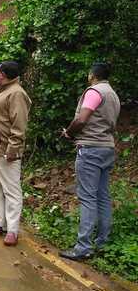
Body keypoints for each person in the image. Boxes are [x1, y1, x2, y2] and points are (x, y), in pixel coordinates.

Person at [59, 63, 120, 261]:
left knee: (87, 198)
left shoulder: (94, 92)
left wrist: (68, 133)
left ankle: (83, 247)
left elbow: (82, 119)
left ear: (92, 75)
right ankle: (102, 243)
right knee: (102, 197)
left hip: (91, 149)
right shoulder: (113, 94)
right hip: (107, 148)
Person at [0, 61, 31, 246]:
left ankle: (12, 230)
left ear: (4, 74)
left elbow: (19, 124)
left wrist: (13, 148)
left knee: (11, 190)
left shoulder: (16, 93)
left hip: (5, 150)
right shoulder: (3, 90)